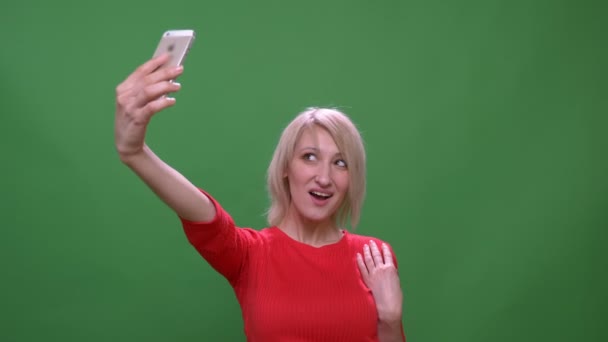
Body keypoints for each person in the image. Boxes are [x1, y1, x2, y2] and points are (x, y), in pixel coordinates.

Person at [114, 53, 406, 341]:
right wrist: (135, 154)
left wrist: (391, 319)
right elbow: (205, 215)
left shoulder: (374, 257)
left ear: (351, 178)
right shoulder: (251, 255)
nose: (324, 177)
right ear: (285, 169)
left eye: (340, 163)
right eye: (309, 157)